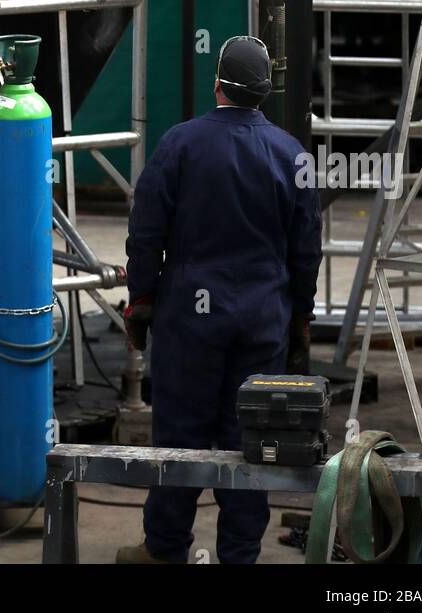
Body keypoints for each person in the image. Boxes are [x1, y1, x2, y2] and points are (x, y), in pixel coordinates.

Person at [117, 35, 322, 565]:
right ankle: (239, 555)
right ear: (265, 92)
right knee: (252, 438)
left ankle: (164, 549)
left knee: (179, 435)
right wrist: (300, 316)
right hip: (262, 319)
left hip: (189, 315)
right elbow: (307, 251)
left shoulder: (179, 144)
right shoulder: (291, 154)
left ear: (218, 83)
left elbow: (146, 232)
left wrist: (141, 298)